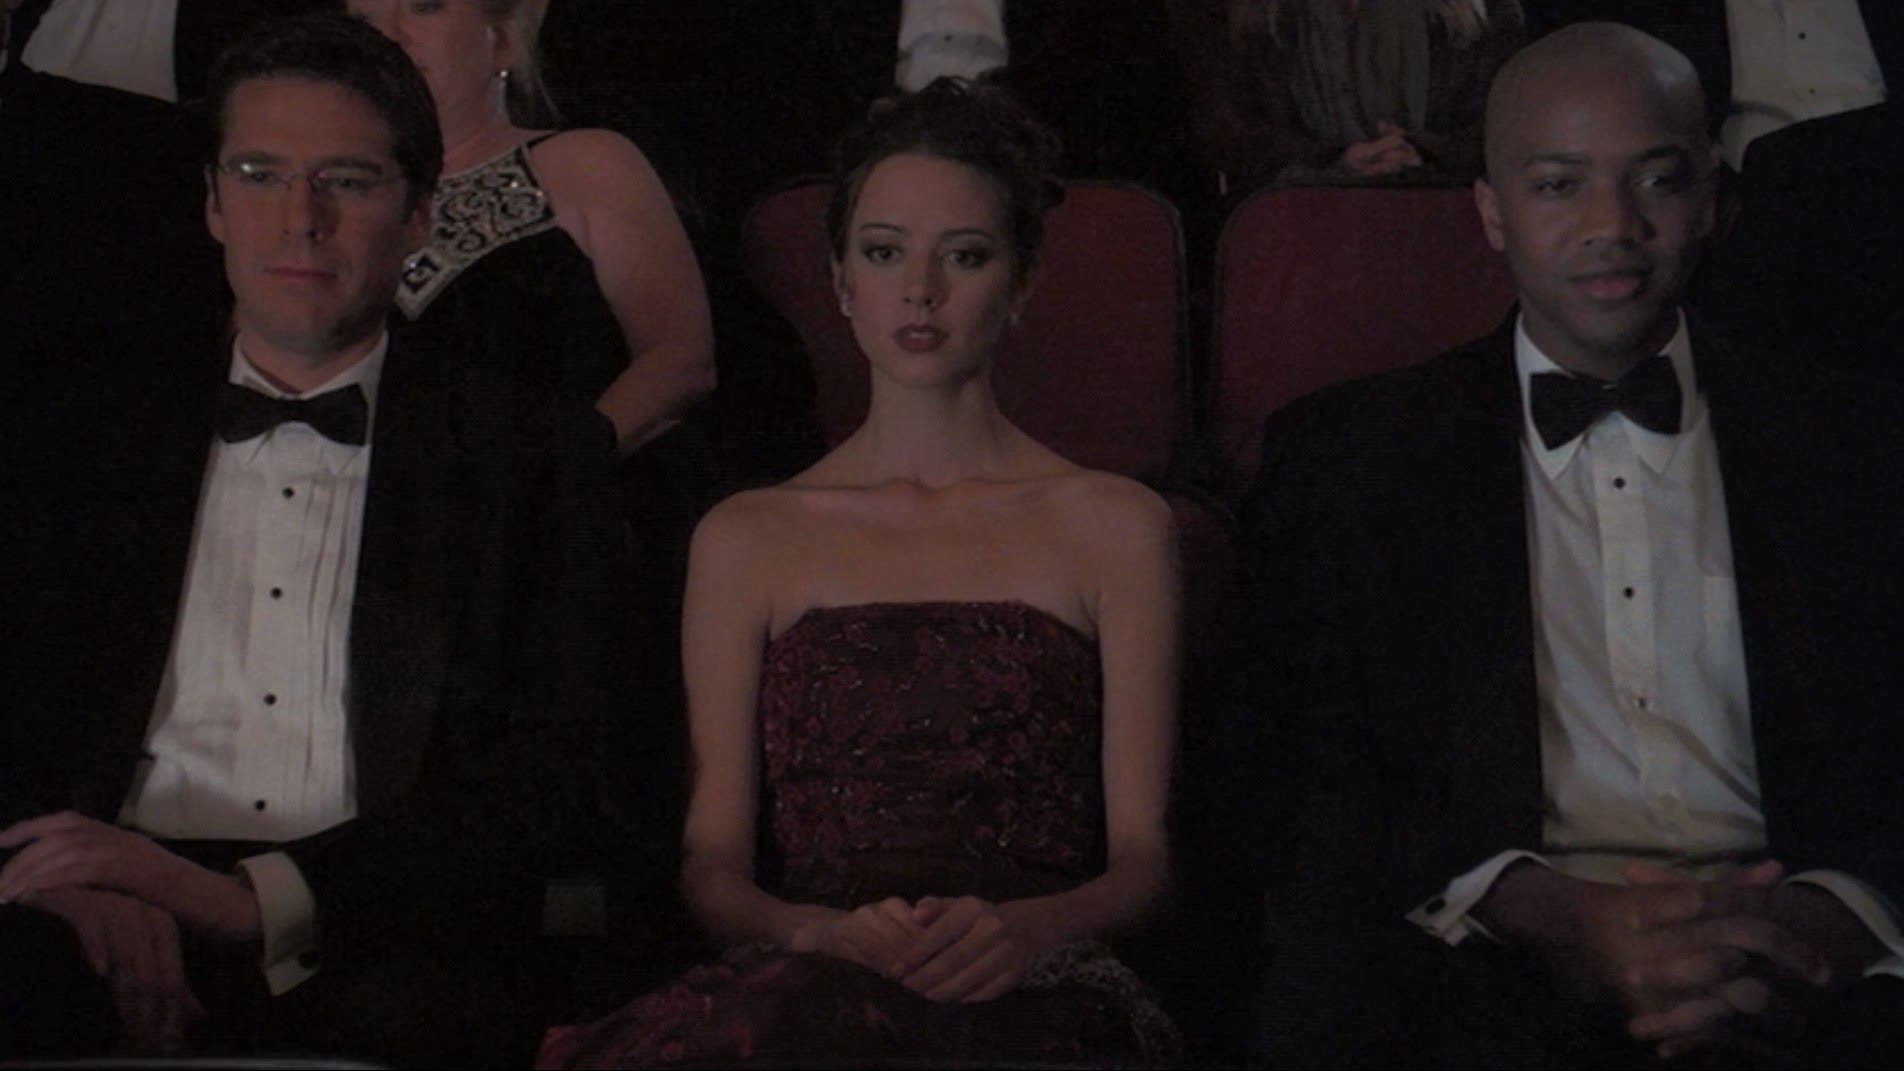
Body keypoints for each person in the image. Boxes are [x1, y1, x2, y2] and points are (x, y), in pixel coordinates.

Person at [1236, 22, 1904, 1066]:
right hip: (1486, 980)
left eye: (1657, 180)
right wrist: (1552, 916)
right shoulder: (1348, 461)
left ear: (1713, 197)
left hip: (1828, 978)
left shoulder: (1863, 443)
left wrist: (1830, 918)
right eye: (1557, 185)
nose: (1611, 225)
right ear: (1489, 212)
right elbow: (1301, 785)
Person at [0, 14, 653, 1064]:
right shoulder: (72, 438)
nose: (299, 219)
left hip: (379, 928)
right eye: (259, 174)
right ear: (212, 203)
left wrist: (254, 899)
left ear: (419, 212)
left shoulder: (531, 455)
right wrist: (56, 878)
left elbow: (561, 779)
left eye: (346, 181)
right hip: (97, 912)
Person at [537, 78, 1182, 1068]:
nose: (919, 290)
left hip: (1032, 984)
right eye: (884, 253)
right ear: (841, 281)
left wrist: (1029, 930)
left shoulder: (1117, 526)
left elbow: (1142, 863)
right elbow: (712, 867)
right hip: (803, 984)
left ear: (1019, 282)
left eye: (963, 256)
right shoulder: (746, 536)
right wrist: (818, 934)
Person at [346, 0, 715, 457]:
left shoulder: (583, 163)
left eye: (425, 7)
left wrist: (558, 468)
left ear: (502, 40)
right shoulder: (324, 196)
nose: (388, 38)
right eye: (364, 21)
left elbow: (679, 359)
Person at [1179, 0, 1525, 189]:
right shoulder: (1235, 14)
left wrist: (1422, 151)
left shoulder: (1484, 11)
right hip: (1296, 228)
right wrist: (1333, 160)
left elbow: (1506, 127)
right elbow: (1226, 132)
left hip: (1447, 223)